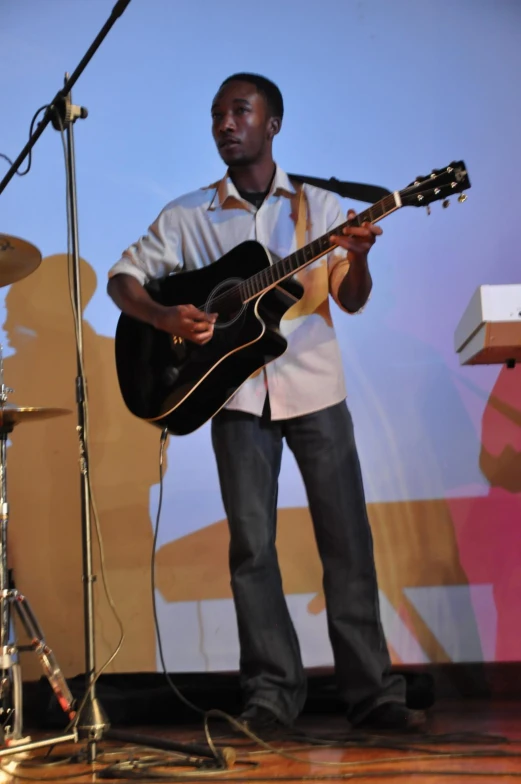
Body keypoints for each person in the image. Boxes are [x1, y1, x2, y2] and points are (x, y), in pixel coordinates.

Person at [107, 73, 426, 732]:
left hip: (316, 390)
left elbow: (351, 298)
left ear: (272, 123)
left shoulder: (324, 207)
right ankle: (271, 698)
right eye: (217, 114)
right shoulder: (186, 216)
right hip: (235, 399)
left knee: (347, 545)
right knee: (252, 551)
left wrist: (358, 261)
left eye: (240, 111)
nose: (226, 123)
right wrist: (166, 318)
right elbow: (121, 280)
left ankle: (372, 695)